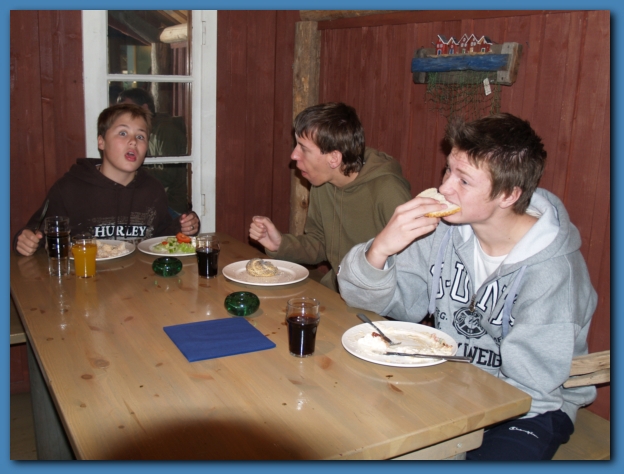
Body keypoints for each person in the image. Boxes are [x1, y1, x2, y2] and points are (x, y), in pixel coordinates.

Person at [337, 113, 597, 460]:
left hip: (531, 407)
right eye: (448, 170)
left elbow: (532, 385)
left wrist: (452, 416)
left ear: (509, 194)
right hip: (449, 380)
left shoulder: (554, 271)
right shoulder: (443, 230)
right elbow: (377, 306)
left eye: (463, 180)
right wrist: (380, 250)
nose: (444, 187)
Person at [249, 102, 412, 291]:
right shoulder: (322, 181)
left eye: (303, 148)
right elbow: (320, 244)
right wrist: (280, 244)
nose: (294, 155)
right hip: (336, 292)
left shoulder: (388, 190)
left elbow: (412, 266)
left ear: (334, 158)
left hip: (379, 302)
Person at [14, 103, 200, 257]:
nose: (133, 141)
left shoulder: (153, 190)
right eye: (123, 133)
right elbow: (35, 234)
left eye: (140, 136)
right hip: (83, 280)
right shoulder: (68, 188)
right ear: (101, 142)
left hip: (139, 283)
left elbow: (160, 237)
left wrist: (183, 227)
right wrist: (24, 240)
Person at [117, 87, 190, 217]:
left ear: (145, 108)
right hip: (155, 200)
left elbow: (168, 175)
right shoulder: (145, 132)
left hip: (171, 205)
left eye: (128, 109)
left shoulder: (164, 130)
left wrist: (132, 172)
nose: (124, 115)